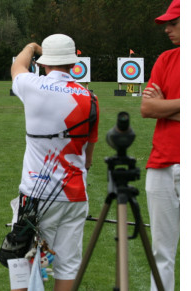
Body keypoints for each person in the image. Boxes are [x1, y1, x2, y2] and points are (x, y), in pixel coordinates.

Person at [11, 34, 99, 291]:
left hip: (37, 195)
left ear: (43, 62)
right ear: (74, 63)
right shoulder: (90, 98)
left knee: (22, 260)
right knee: (67, 266)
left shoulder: (32, 85)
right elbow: (88, 159)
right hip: (74, 195)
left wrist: (31, 47)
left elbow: (17, 67)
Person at [140, 0, 180, 290]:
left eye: (174, 22)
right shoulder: (166, 59)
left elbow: (157, 105)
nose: (167, 28)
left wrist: (165, 105)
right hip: (161, 164)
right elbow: (147, 108)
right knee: (160, 253)